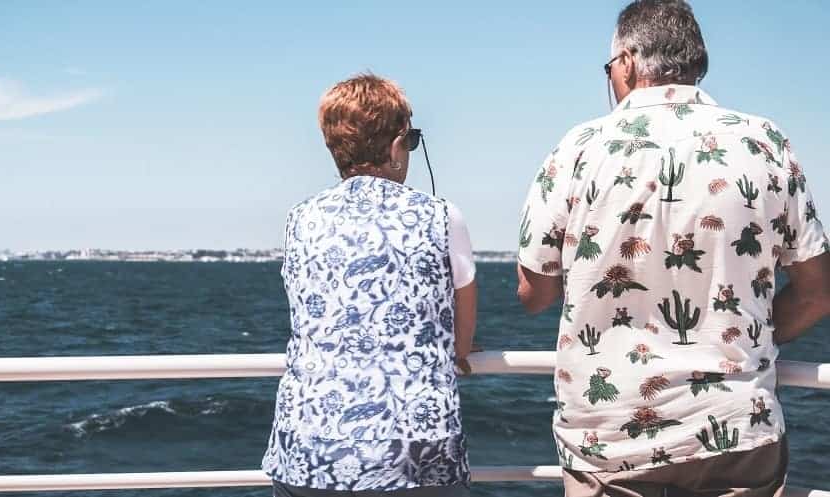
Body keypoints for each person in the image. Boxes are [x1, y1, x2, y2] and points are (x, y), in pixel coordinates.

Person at [515, 1, 830, 495]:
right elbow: (817, 291)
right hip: (733, 428)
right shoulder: (763, 142)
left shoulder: (577, 149)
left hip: (607, 438)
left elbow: (533, 294)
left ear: (627, 62)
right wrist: (745, 337)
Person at [263, 73, 477, 497]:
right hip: (415, 454)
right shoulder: (440, 216)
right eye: (411, 140)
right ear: (396, 146)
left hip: (308, 449)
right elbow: (462, 341)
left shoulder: (299, 218)